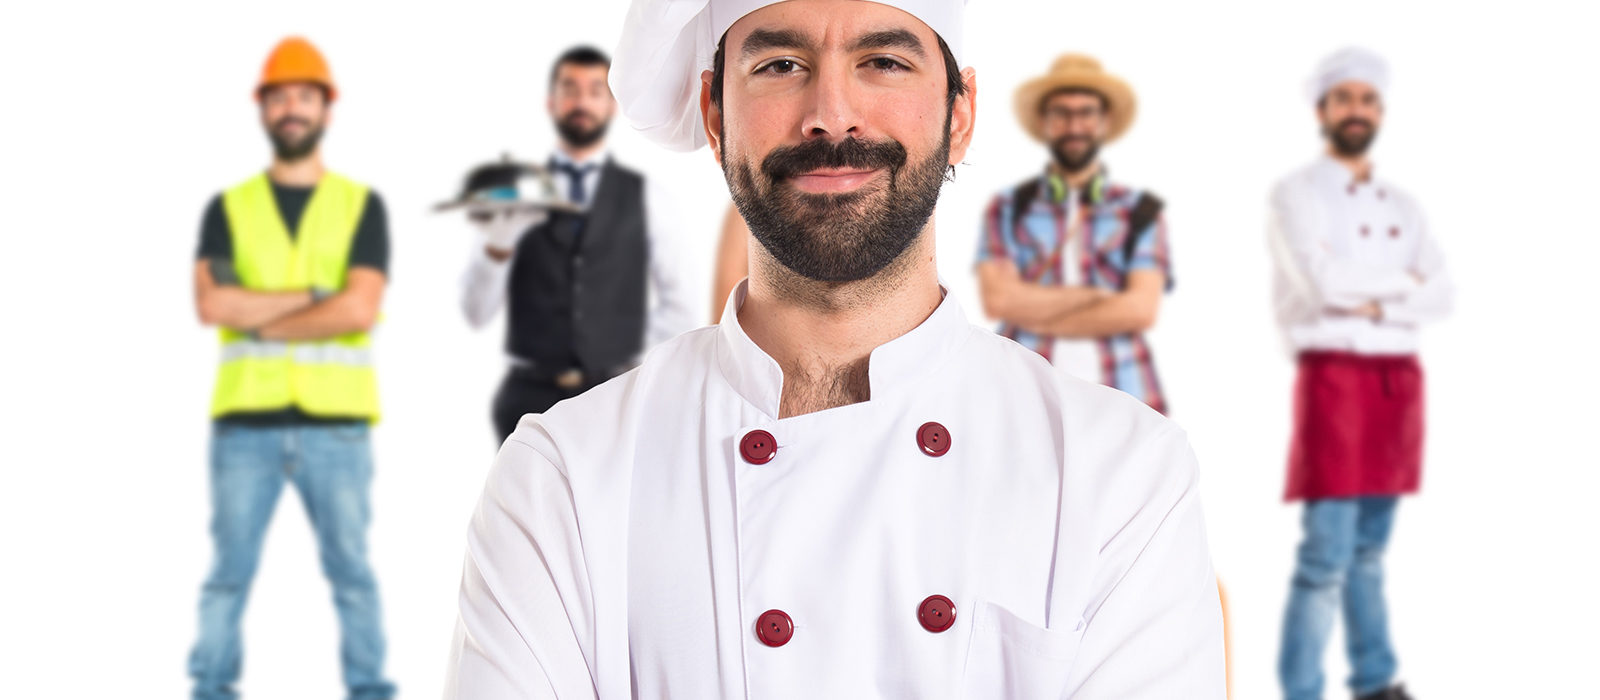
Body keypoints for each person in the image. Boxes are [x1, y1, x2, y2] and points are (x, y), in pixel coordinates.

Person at [444, 1, 1224, 697]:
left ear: (960, 114)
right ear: (716, 113)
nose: (831, 114)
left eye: (883, 61)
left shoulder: (1122, 475)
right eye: (780, 65)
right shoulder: (564, 479)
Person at [189, 37, 395, 700]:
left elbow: (359, 308)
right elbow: (211, 301)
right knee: (227, 574)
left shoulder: (361, 206)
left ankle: (370, 691)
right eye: (280, 97)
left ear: (325, 109)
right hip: (243, 425)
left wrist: (258, 312)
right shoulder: (230, 208)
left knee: (353, 574)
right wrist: (313, 296)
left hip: (337, 427)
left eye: (304, 96)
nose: (291, 109)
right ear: (265, 109)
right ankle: (210, 690)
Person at [1268, 47, 1453, 700]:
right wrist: (1403, 288)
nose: (1357, 110)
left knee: (1372, 550)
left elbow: (1445, 294)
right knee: (1325, 556)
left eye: (1368, 100)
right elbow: (1320, 285)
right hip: (1337, 382)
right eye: (1345, 98)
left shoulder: (1403, 203)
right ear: (1323, 109)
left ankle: (1376, 680)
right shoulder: (1298, 192)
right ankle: (1302, 691)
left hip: (1398, 384)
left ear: (1379, 111)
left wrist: (1372, 295)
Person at [459, 45, 697, 443]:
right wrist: (498, 246)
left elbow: (682, 306)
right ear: (551, 103)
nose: (581, 101)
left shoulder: (648, 197)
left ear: (610, 107)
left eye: (594, 91)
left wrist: (623, 361)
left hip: (613, 397)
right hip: (525, 398)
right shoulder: (512, 193)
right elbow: (475, 312)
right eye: (570, 89)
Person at [975, 54, 1173, 414]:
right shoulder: (1008, 208)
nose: (1074, 125)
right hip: (1023, 396)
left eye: (1086, 113)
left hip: (1125, 394)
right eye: (1062, 113)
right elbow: (999, 301)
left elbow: (1141, 309)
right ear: (1045, 122)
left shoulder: (1141, 211)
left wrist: (1032, 303)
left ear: (1104, 122)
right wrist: (1099, 297)